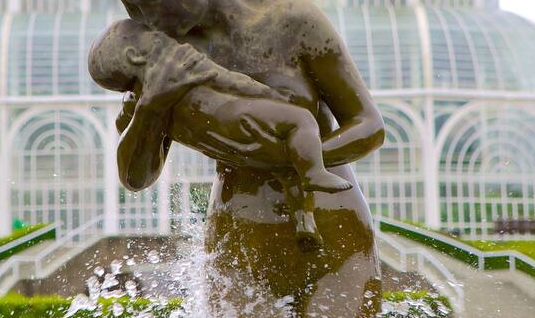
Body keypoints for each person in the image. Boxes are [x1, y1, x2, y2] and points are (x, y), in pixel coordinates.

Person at [103, 0, 386, 318]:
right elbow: (135, 177)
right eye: (135, 9)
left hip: (331, 226)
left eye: (152, 3)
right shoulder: (165, 54)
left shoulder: (293, 20)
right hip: (238, 238)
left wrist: (297, 161)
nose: (146, 19)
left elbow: (368, 126)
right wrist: (152, 104)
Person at [88, 17, 353, 247]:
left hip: (239, 149)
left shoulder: (139, 101)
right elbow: (134, 177)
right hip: (237, 122)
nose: (159, 34)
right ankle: (311, 181)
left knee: (288, 170)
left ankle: (304, 218)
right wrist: (267, 94)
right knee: (300, 122)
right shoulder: (179, 61)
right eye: (150, 35)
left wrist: (149, 108)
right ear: (134, 55)